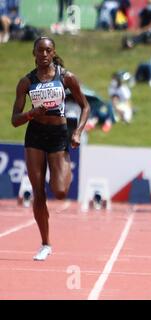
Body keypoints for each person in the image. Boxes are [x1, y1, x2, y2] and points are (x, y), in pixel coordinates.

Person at [11, 36, 90, 261]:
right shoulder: (26, 82)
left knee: (61, 191)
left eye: (47, 51)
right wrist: (30, 114)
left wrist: (77, 132)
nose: (43, 54)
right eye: (40, 51)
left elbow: (85, 107)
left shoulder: (66, 77)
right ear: (34, 53)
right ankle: (45, 243)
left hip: (58, 135)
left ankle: (65, 167)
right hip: (35, 135)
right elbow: (14, 120)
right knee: (38, 192)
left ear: (53, 52)